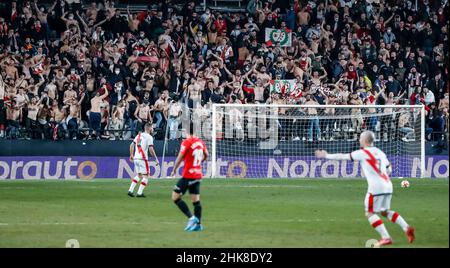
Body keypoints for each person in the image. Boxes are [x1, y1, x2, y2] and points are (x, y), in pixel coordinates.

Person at [315, 130, 415, 247]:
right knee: (384, 211)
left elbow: (344, 157)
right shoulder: (380, 152)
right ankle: (407, 228)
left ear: (365, 140)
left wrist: (326, 155)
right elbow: (389, 169)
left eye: (360, 138)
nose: (359, 140)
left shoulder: (363, 153)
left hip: (376, 187)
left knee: (370, 213)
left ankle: (386, 237)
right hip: (388, 185)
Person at [170, 127, 208, 232]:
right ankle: (199, 225)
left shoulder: (187, 142)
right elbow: (206, 155)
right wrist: (199, 163)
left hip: (188, 175)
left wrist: (174, 169)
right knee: (196, 201)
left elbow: (180, 156)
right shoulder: (200, 142)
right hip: (198, 174)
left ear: (187, 132)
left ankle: (191, 218)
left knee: (175, 197)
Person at [128, 123, 159, 198]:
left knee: (139, 175)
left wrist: (131, 155)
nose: (153, 129)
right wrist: (156, 159)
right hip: (143, 158)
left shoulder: (138, 135)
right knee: (146, 177)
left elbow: (131, 145)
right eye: (152, 128)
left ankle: (130, 190)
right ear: (149, 128)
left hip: (136, 158)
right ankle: (139, 193)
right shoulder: (149, 137)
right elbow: (151, 149)